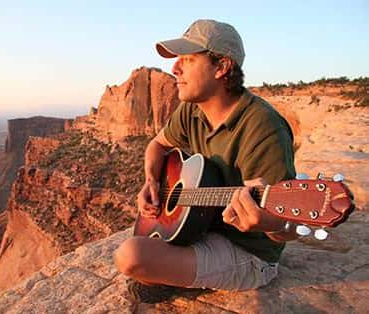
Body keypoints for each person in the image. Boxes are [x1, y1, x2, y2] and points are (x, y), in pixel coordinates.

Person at [113, 19, 297, 303]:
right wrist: (151, 181)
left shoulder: (263, 128)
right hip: (204, 225)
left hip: (249, 253)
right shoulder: (191, 110)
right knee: (137, 246)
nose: (175, 69)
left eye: (187, 59)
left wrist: (267, 223)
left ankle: (184, 279)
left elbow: (287, 228)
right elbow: (157, 145)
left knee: (130, 257)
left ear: (222, 67)